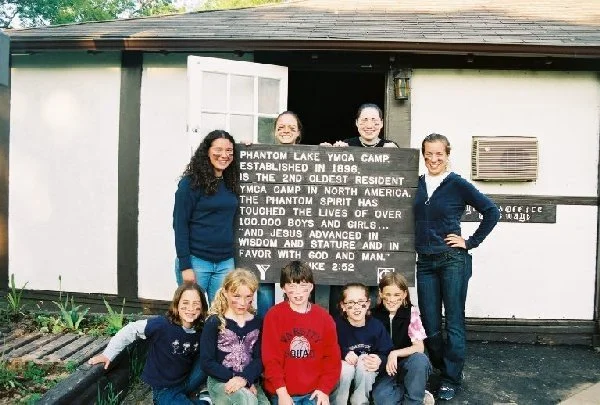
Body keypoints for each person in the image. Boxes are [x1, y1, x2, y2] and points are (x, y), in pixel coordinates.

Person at [415, 133, 500, 401]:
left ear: (447, 155)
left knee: (453, 321)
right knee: (430, 322)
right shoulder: (416, 184)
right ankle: (442, 368)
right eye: (428, 153)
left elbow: (492, 211)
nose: (433, 159)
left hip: (452, 260)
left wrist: (470, 241)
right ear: (423, 155)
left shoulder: (456, 184)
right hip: (425, 261)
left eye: (439, 153)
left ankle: (451, 377)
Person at [88, 283, 210, 405]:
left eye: (196, 303)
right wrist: (108, 355)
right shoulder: (162, 325)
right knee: (171, 400)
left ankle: (200, 391)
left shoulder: (201, 329)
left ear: (202, 306)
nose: (191, 308)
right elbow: (131, 329)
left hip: (188, 380)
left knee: (210, 352)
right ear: (177, 305)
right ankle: (205, 400)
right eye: (185, 303)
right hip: (165, 388)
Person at [262, 260, 341, 405]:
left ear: (311, 286)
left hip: (313, 393)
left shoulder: (324, 318)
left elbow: (332, 359)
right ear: (283, 288)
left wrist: (324, 390)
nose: (298, 292)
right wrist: (282, 393)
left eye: (303, 286)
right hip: (283, 392)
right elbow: (271, 360)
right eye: (291, 286)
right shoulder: (274, 316)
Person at [173, 129, 240, 303]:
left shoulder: (230, 181)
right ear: (207, 151)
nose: (224, 155)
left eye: (229, 151)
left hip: (225, 262)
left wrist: (248, 146)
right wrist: (185, 265)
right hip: (197, 261)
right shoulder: (190, 184)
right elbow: (180, 225)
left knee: (220, 316)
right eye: (218, 150)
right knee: (193, 314)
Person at [257, 111, 303, 318]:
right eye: (281, 127)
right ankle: (268, 336)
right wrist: (244, 148)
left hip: (299, 236)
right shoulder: (260, 156)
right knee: (264, 289)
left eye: (291, 127)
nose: (286, 131)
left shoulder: (311, 157)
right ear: (274, 131)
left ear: (299, 132)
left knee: (295, 288)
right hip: (266, 235)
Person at [200, 268, 270, 405]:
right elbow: (206, 362)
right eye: (236, 296)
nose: (243, 302)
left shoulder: (257, 323)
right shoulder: (215, 322)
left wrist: (246, 379)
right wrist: (237, 379)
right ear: (225, 292)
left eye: (248, 296)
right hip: (220, 381)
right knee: (245, 400)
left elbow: (259, 359)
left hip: (249, 381)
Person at [371, 272, 435, 405]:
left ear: (404, 294)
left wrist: (395, 353)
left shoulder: (411, 313)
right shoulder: (373, 315)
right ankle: (415, 391)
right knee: (381, 399)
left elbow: (419, 347)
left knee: (420, 359)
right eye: (387, 294)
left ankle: (414, 399)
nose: (391, 299)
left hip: (408, 364)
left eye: (397, 295)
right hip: (386, 368)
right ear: (381, 293)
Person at [330, 283, 392, 405]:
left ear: (368, 304)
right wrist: (343, 352)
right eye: (351, 303)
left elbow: (387, 351)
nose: (356, 307)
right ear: (343, 306)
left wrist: (380, 360)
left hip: (365, 375)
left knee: (366, 360)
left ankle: (360, 401)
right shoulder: (335, 325)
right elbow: (326, 348)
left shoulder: (376, 326)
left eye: (360, 302)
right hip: (344, 371)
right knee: (345, 369)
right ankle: (337, 402)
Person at [321, 103, 397, 148]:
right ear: (357, 122)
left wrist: (396, 154)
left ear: (381, 123)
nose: (369, 126)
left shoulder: (390, 146)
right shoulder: (347, 144)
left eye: (374, 120)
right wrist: (326, 151)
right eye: (364, 120)